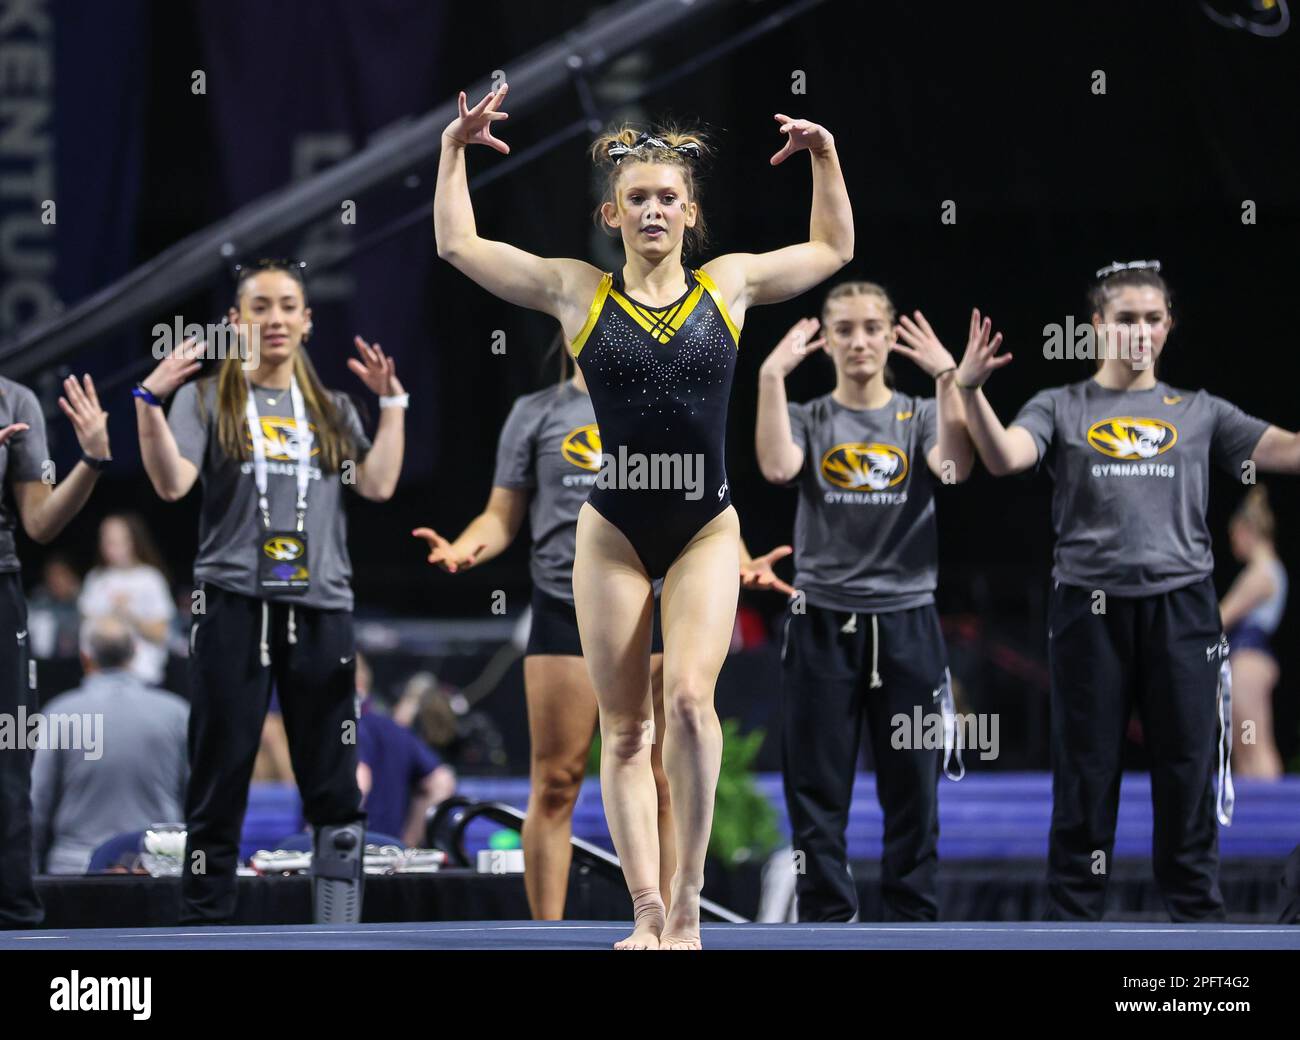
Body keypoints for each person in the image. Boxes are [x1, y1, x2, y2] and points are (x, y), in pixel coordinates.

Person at [435, 83, 852, 947]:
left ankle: (690, 905)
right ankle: (647, 912)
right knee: (623, 732)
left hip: (704, 525)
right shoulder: (576, 291)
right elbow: (456, 243)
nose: (654, 209)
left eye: (668, 197)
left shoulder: (728, 285)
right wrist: (453, 151)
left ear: (690, 213)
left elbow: (833, 246)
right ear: (612, 214)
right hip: (614, 532)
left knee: (691, 706)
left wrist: (824, 155)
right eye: (638, 199)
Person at [953, 259, 1300, 921]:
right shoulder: (1061, 404)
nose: (1139, 331)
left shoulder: (1198, 411)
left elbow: (1287, 449)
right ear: (1097, 328)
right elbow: (1004, 457)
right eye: (1125, 319)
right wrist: (970, 393)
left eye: (1151, 319)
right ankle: (1073, 918)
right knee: (1087, 769)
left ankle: (1196, 917)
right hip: (1090, 609)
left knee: (1188, 767)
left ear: (1167, 327)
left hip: (1183, 609)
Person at [413, 339, 793, 919]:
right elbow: (501, 513)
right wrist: (466, 549)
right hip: (565, 604)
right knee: (557, 779)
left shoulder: (660, 401)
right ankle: (548, 931)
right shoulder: (536, 412)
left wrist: (738, 559)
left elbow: (703, 496)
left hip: (660, 599)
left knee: (665, 774)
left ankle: (666, 919)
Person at [133, 259, 406, 924]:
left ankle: (338, 932)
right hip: (232, 604)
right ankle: (206, 927)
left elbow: (375, 485)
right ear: (236, 322)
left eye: (288, 305)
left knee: (334, 784)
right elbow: (172, 484)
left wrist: (393, 404)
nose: (276, 318)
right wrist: (149, 402)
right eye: (260, 306)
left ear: (307, 321)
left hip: (322, 607)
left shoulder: (333, 408)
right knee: (220, 777)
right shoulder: (205, 398)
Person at [755, 285, 978, 921]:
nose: (859, 341)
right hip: (822, 618)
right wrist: (771, 374)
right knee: (816, 788)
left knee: (914, 789)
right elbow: (775, 466)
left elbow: (956, 467)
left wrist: (946, 377)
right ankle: (829, 921)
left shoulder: (919, 412)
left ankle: (913, 921)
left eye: (872, 328)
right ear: (825, 339)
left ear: (889, 338)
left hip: (908, 620)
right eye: (845, 329)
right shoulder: (810, 416)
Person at [0, 370, 111, 927]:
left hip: (2, 590)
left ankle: (13, 914)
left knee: (8, 756)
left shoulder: (14, 401)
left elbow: (40, 522)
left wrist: (90, 462)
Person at [30, 616, 188, 874]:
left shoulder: (60, 713)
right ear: (135, 653)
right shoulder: (177, 713)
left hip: (75, 870)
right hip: (156, 870)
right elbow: (198, 797)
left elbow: (36, 801)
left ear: (85, 657)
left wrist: (29, 873)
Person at [1220, 486, 1287, 779]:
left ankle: (1274, 820)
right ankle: (1250, 821)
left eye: (1235, 536)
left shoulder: (1261, 572)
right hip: (1245, 660)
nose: (1233, 544)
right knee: (1242, 746)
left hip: (1249, 662)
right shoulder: (1265, 570)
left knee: (1254, 742)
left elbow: (1221, 617)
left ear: (1247, 530)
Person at [355, 652, 455, 847]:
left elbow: (358, 779)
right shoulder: (395, 729)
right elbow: (441, 782)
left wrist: (321, 834)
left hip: (347, 854)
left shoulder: (347, 725)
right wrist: (407, 845)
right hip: (388, 857)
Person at [77, 513, 175, 685]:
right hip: (99, 677)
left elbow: (161, 633)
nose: (111, 546)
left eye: (118, 540)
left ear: (134, 541)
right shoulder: (96, 578)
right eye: (106, 540)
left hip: (142, 677)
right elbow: (86, 628)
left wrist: (127, 615)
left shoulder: (150, 578)